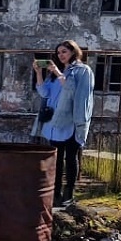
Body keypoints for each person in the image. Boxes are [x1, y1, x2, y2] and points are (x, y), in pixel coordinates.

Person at [45, 39, 94, 207]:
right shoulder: (59, 71)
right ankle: (55, 193)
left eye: (64, 52)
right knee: (56, 158)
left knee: (71, 156)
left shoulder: (82, 70)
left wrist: (59, 74)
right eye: (58, 53)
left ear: (73, 52)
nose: (61, 55)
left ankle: (69, 193)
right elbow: (47, 92)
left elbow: (74, 91)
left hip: (73, 119)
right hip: (57, 119)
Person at [30, 49, 62, 143]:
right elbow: (44, 93)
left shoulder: (72, 74)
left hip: (64, 114)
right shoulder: (52, 77)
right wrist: (39, 73)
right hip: (50, 114)